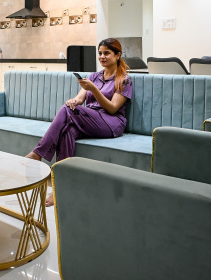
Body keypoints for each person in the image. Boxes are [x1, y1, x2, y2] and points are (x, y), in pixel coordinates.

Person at [25, 38, 132, 206]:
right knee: (67, 131)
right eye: (100, 53)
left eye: (107, 53)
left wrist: (94, 89)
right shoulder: (94, 76)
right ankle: (60, 189)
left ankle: (38, 153)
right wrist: (73, 101)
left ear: (118, 55)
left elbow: (112, 108)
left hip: (111, 122)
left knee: (67, 112)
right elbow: (80, 99)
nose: (102, 57)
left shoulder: (124, 80)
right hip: (90, 119)